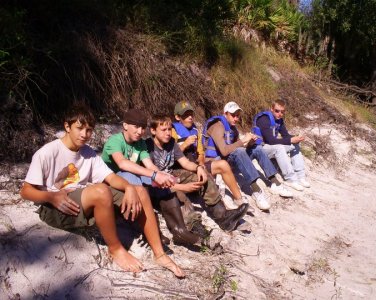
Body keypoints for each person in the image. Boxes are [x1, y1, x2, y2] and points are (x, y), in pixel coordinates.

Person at [20, 104, 184, 278]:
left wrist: (129, 187)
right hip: (55, 207)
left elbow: (110, 177)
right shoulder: (47, 152)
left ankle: (159, 254)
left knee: (140, 191)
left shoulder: (88, 153)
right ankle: (116, 249)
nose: (84, 134)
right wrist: (51, 197)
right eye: (79, 128)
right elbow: (25, 191)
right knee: (101, 191)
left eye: (89, 130)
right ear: (67, 127)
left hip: (80, 199)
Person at [101, 108, 204, 247]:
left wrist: (162, 176)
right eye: (136, 126)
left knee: (162, 184)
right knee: (135, 178)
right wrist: (155, 175)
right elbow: (122, 163)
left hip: (132, 178)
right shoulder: (115, 140)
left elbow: (149, 166)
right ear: (125, 125)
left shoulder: (141, 143)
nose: (140, 131)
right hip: (111, 180)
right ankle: (151, 230)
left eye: (143, 127)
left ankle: (179, 230)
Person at [146, 114, 249, 232]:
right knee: (179, 194)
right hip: (155, 184)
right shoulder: (148, 147)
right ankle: (195, 226)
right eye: (163, 130)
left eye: (169, 129)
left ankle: (223, 216)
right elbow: (154, 179)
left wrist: (198, 168)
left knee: (203, 177)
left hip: (171, 174)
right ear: (153, 131)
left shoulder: (171, 143)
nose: (168, 133)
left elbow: (184, 162)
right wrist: (183, 187)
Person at [203, 101, 293, 211]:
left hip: (228, 162)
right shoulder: (217, 126)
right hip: (216, 163)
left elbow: (234, 149)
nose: (236, 118)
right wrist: (242, 141)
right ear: (225, 113)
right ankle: (256, 191)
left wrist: (249, 143)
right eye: (233, 115)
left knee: (257, 148)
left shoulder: (233, 129)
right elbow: (224, 151)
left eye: (237, 116)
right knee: (240, 151)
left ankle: (275, 183)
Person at [172, 100, 250, 210]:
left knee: (223, 165)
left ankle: (239, 199)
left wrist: (201, 163)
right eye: (186, 115)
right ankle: (220, 205)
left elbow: (200, 152)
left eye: (191, 114)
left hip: (196, 166)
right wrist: (184, 145)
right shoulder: (171, 131)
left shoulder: (195, 131)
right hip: (180, 169)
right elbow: (168, 156)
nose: (190, 117)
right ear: (177, 117)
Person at [252, 99, 310, 190]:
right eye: (277, 111)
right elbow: (270, 140)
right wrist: (290, 140)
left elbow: (285, 136)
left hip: (271, 146)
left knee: (295, 145)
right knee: (279, 147)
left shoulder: (279, 120)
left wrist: (296, 138)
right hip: (260, 149)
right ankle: (290, 179)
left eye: (282, 112)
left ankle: (300, 176)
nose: (280, 114)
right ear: (271, 109)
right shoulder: (264, 119)